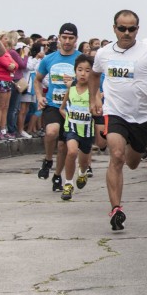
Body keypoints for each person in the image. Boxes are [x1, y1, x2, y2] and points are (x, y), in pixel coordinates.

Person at [90, 10, 147, 231]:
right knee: (116, 155)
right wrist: (94, 97)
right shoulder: (103, 53)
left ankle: (143, 149)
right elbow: (94, 75)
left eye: (131, 29)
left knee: (132, 163)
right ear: (114, 28)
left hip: (142, 116)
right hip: (115, 112)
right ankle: (116, 209)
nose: (126, 33)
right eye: (122, 28)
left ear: (137, 29)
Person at [34, 23, 81, 191]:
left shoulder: (81, 59)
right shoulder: (49, 59)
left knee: (63, 147)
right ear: (59, 38)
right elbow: (38, 79)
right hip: (53, 104)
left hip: (72, 108)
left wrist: (75, 83)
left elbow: (90, 82)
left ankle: (57, 176)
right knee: (51, 131)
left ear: (76, 40)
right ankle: (47, 159)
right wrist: (39, 96)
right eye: (64, 37)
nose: (67, 41)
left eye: (71, 38)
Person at [58, 55, 95, 201]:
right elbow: (62, 108)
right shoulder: (71, 89)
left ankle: (82, 173)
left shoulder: (94, 91)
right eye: (80, 70)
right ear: (75, 71)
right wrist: (68, 119)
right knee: (72, 152)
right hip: (72, 129)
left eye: (87, 70)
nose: (83, 73)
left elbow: (99, 109)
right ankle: (68, 184)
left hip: (87, 131)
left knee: (84, 162)